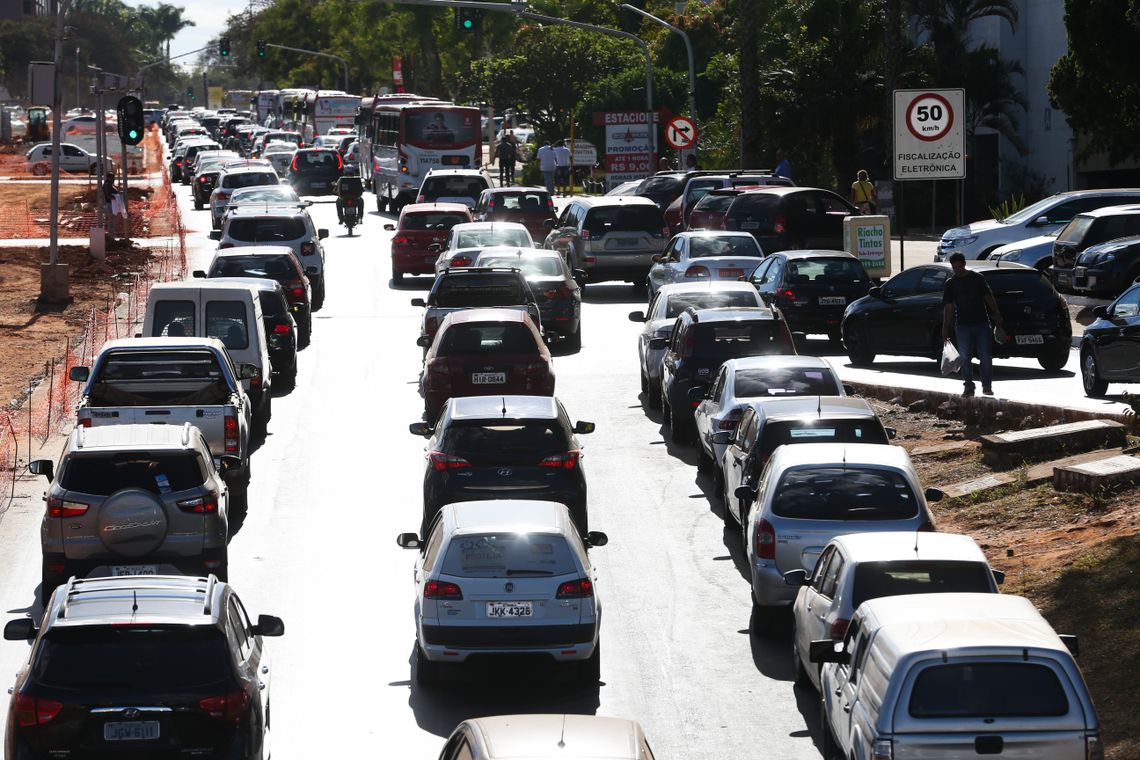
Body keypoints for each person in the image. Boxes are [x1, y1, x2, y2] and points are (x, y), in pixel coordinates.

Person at [942, 252, 1004, 397]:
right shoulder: (951, 284)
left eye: (959, 267)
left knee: (985, 356)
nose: (958, 270)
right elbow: (948, 307)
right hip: (962, 325)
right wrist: (945, 327)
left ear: (964, 264)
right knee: (964, 357)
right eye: (954, 268)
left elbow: (988, 297)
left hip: (982, 323)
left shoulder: (977, 279)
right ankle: (968, 386)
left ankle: (987, 386)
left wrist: (997, 315)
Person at [102, 170, 119, 238]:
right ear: (108, 178)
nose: (113, 179)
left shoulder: (109, 185)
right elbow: (108, 195)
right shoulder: (107, 185)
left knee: (112, 220)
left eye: (113, 178)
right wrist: (116, 197)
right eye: (112, 178)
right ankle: (111, 235)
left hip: (111, 204)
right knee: (111, 220)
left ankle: (111, 234)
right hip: (109, 204)